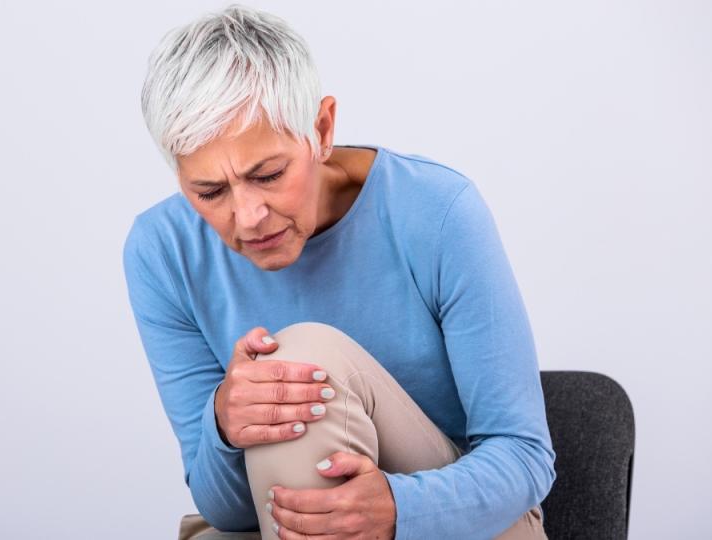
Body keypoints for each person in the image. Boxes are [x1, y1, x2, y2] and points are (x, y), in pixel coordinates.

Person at [124, 4, 555, 539]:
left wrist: (399, 507)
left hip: (466, 519)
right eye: (209, 192)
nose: (248, 216)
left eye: (270, 173)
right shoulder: (161, 251)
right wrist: (224, 423)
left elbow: (526, 457)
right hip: (287, 526)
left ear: (322, 129)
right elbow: (228, 510)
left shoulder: (436, 211)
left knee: (302, 359)